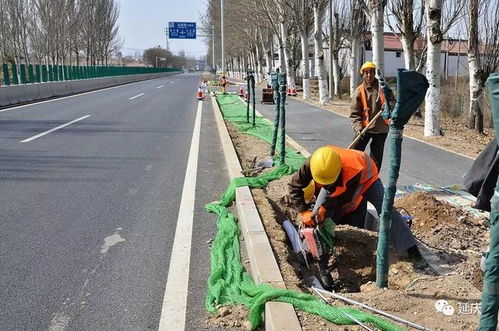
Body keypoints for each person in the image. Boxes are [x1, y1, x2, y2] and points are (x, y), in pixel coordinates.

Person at [288, 145, 426, 269]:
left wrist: (325, 207)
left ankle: (412, 250)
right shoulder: (313, 164)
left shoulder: (352, 169)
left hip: (366, 176)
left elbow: (344, 198)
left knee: (386, 210)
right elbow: (294, 186)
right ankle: (311, 252)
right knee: (317, 215)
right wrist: (304, 211)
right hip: (336, 179)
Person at [350, 61, 389, 171]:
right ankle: (353, 175)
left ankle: (372, 181)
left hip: (381, 129)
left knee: (376, 160)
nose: (369, 75)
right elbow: (354, 114)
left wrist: (388, 105)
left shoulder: (383, 88)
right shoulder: (359, 91)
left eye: (371, 72)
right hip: (364, 129)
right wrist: (358, 128)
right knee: (354, 153)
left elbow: (393, 103)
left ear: (374, 73)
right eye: (366, 72)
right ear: (363, 74)